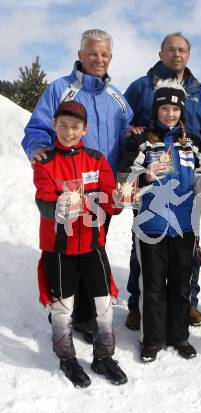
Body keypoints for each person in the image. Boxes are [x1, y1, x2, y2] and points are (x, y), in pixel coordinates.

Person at [22, 29, 134, 344]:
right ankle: (61, 305)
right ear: (81, 54)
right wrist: (38, 150)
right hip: (64, 189)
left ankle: (84, 314)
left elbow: (129, 128)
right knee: (63, 250)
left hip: (100, 187)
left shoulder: (116, 95)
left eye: (105, 55)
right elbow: (37, 128)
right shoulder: (60, 89)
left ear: (110, 58)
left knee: (92, 249)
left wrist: (134, 136)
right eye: (93, 53)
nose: (99, 59)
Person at [120, 79, 201, 362]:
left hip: (184, 227)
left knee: (181, 285)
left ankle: (179, 336)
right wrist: (143, 176)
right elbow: (124, 183)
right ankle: (152, 339)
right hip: (151, 227)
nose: (170, 114)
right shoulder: (141, 141)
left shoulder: (192, 143)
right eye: (165, 108)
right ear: (156, 109)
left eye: (175, 108)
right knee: (153, 286)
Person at [33, 101, 127, 388]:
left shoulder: (97, 159)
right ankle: (67, 358)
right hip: (59, 248)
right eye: (63, 125)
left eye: (75, 127)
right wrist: (59, 206)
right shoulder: (45, 161)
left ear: (85, 129)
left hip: (92, 244)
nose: (69, 132)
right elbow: (43, 201)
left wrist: (122, 199)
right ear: (54, 125)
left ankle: (104, 356)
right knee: (63, 308)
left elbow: (112, 199)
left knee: (104, 305)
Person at [124, 32, 201, 329]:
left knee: (188, 246)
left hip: (186, 176)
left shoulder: (198, 91)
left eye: (182, 49)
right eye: (171, 49)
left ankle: (187, 304)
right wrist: (131, 136)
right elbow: (126, 122)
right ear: (160, 53)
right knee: (145, 246)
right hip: (152, 179)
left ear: (189, 54)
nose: (177, 54)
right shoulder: (141, 86)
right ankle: (138, 303)